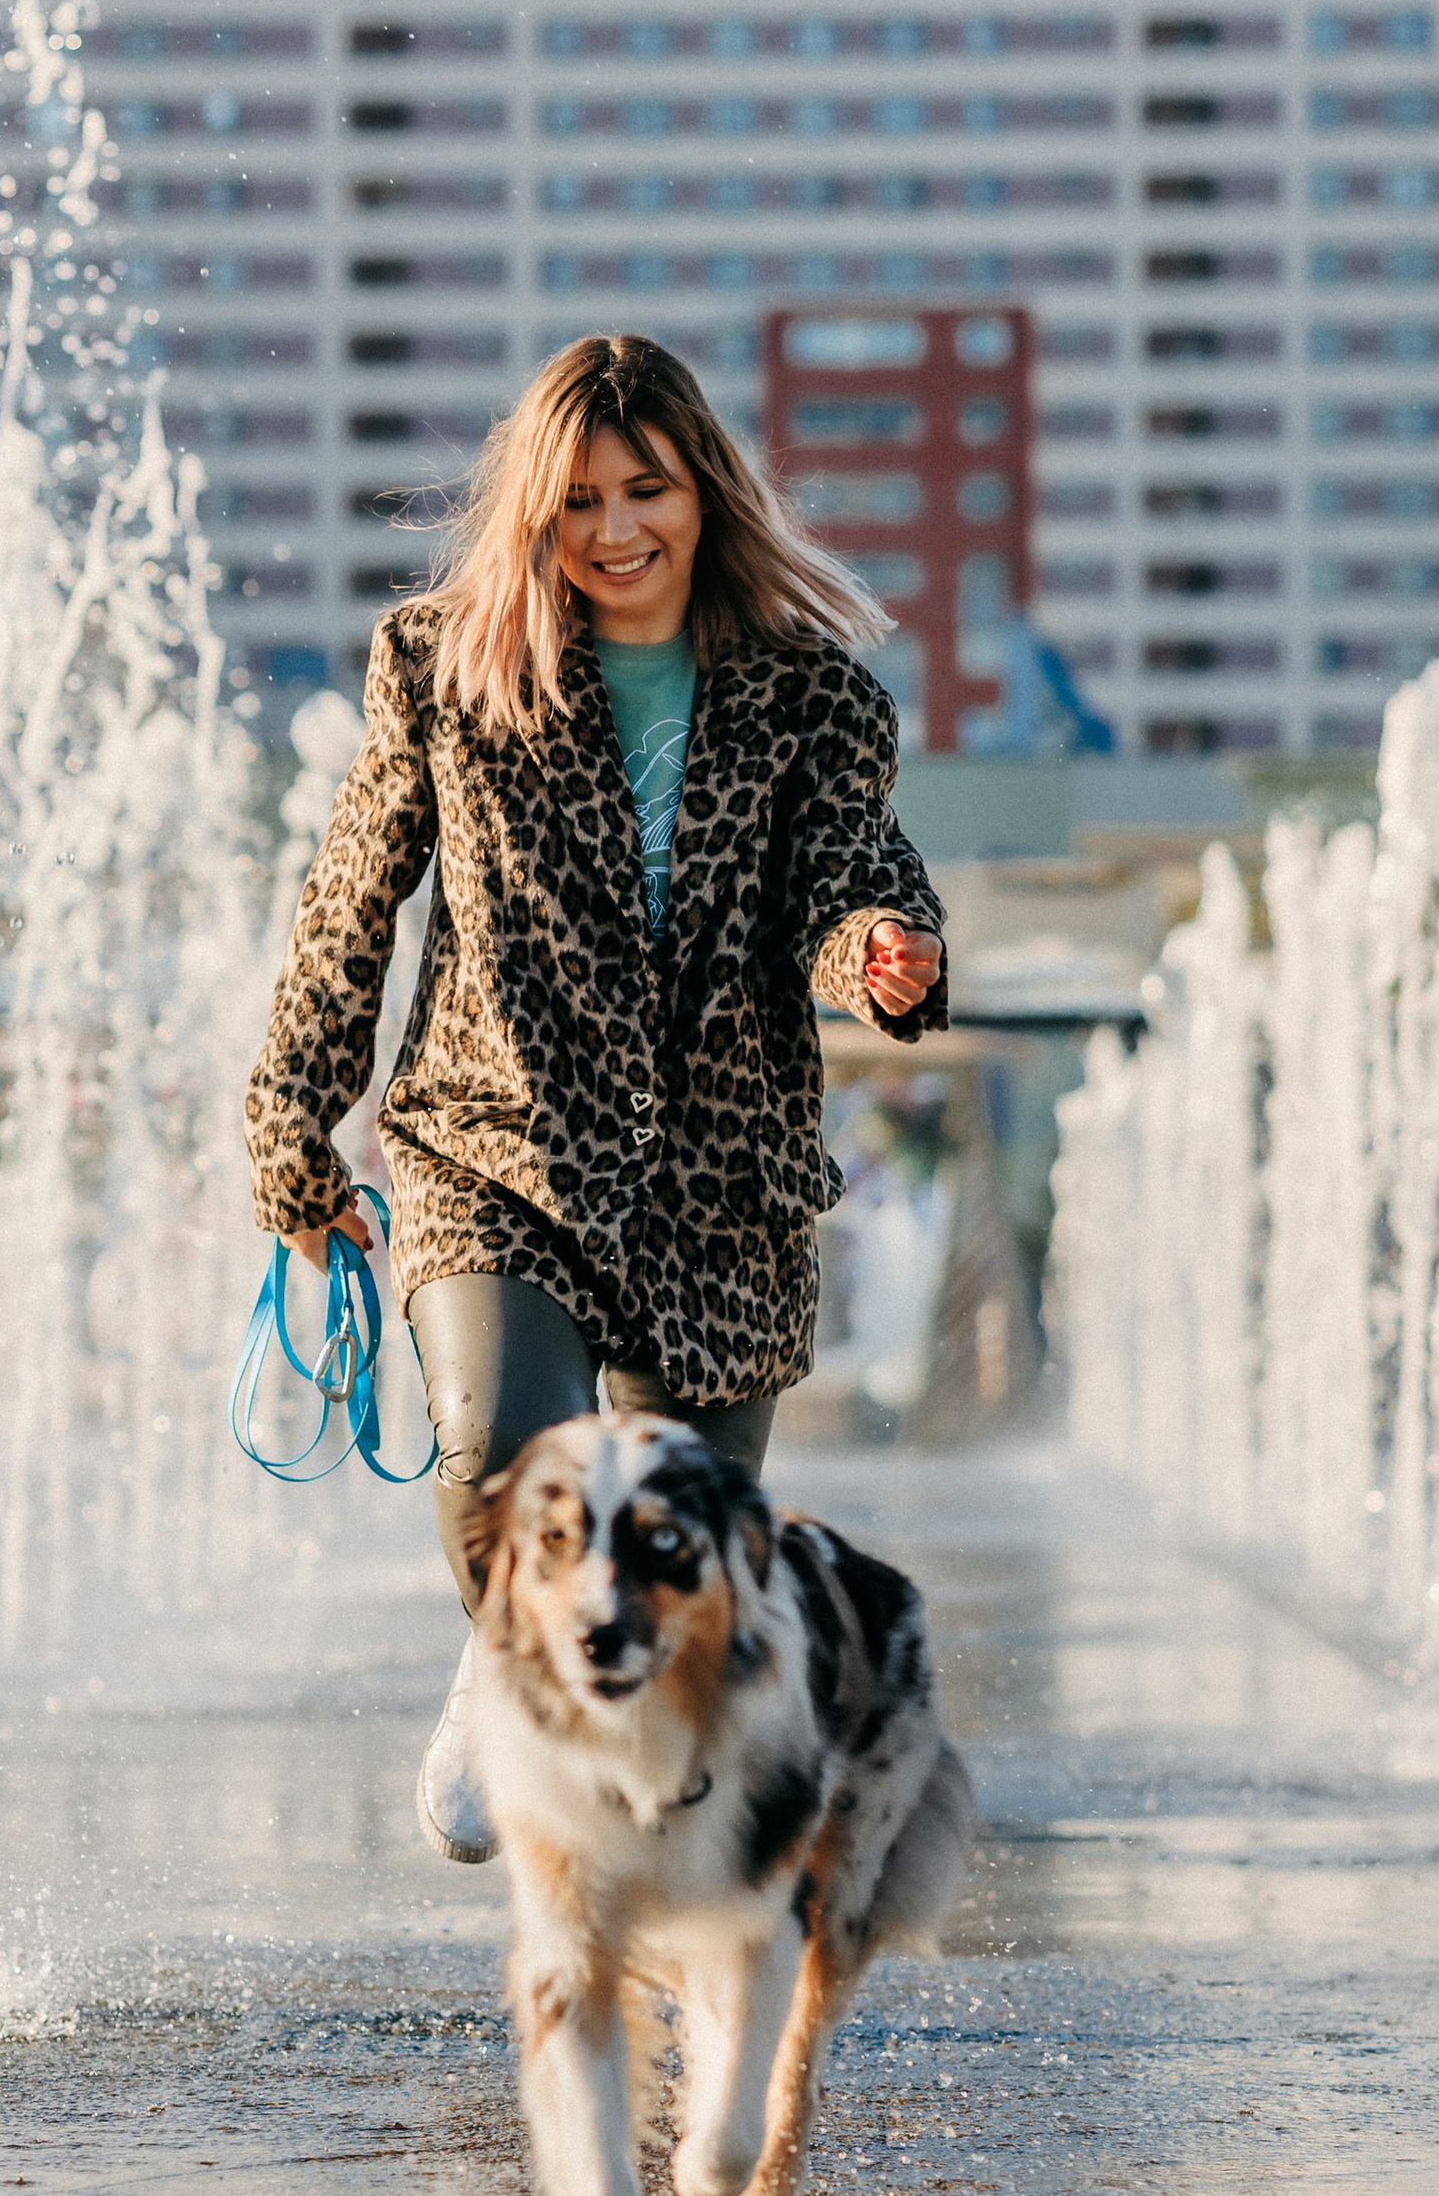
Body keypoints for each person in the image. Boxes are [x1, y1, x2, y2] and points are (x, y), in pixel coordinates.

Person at [243, 332, 948, 1858]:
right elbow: (350, 902)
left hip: (721, 1179)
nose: (616, 528)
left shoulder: (812, 697)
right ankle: (511, 1674)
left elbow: (848, 882)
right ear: (534, 510)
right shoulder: (444, 664)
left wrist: (885, 955)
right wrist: (292, 1125)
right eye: (578, 500)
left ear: (705, 492)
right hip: (496, 1144)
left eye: (648, 489)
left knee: (685, 1559)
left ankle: (631, 1799)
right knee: (504, 1452)